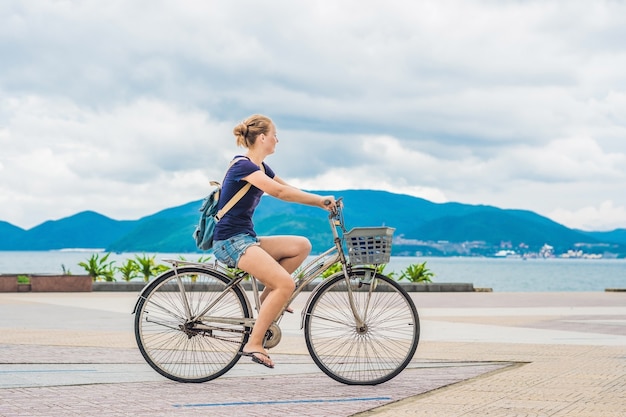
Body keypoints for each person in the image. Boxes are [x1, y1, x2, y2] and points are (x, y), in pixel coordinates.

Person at [212, 114, 336, 369]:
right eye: (275, 135)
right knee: (285, 284)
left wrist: (320, 201)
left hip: (245, 238)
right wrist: (320, 200)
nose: (278, 139)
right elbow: (279, 192)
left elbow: (288, 188)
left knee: (301, 245)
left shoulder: (261, 168)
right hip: (231, 241)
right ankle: (254, 343)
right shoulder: (243, 166)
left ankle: (269, 300)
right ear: (262, 137)